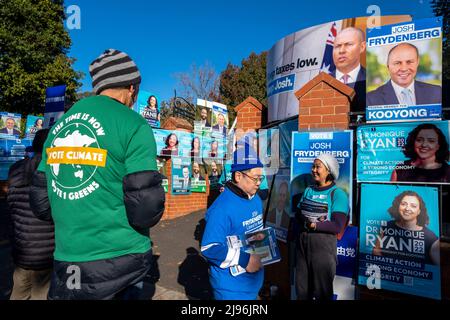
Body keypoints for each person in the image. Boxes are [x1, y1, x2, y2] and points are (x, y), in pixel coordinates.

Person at [29, 48, 166, 300]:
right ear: (131, 88)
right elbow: (146, 211)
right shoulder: (134, 124)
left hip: (67, 259)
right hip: (123, 260)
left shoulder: (59, 127)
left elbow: (40, 203)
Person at [201, 147, 266, 300]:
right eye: (255, 178)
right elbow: (209, 248)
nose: (259, 184)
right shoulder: (221, 208)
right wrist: (245, 259)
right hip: (230, 289)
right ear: (238, 176)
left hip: (252, 282)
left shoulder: (255, 198)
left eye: (261, 179)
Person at [7, 129, 54, 300]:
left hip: (21, 250)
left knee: (18, 293)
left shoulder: (15, 169)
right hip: (45, 255)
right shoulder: (55, 172)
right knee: (41, 294)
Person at [295, 153, 349, 300]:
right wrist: (303, 221)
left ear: (329, 171)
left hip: (322, 247)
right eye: (313, 166)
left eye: (318, 167)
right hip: (302, 243)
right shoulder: (308, 190)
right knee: (301, 289)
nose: (313, 170)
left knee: (322, 291)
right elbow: (298, 213)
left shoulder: (338, 194)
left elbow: (337, 226)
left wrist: (314, 225)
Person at [372, 191, 439, 265]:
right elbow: (376, 251)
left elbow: (435, 269)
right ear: (398, 206)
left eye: (413, 206)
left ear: (419, 211)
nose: (407, 208)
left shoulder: (431, 238)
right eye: (403, 204)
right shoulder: (386, 226)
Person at [367, 42, 442, 106]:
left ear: (417, 63)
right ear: (388, 66)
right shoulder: (370, 99)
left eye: (409, 62)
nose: (404, 69)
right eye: (397, 63)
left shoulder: (437, 92)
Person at [331, 27, 366, 112]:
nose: (341, 50)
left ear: (362, 47)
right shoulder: (322, 84)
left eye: (349, 44)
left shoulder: (374, 81)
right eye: (337, 46)